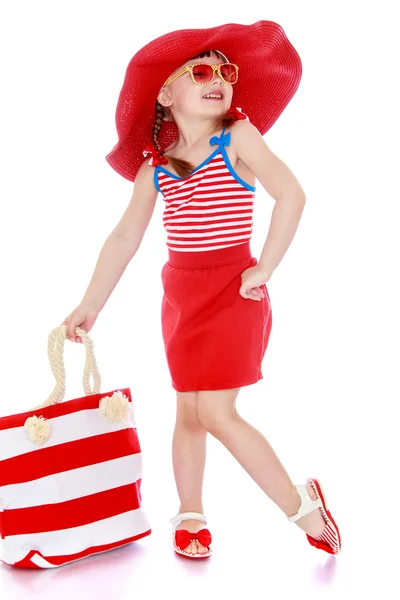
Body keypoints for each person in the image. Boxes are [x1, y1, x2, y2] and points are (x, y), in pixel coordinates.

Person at [62, 20, 341, 559]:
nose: (219, 79)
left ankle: (300, 504)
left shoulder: (237, 139)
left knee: (215, 412)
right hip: (181, 298)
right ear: (167, 93)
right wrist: (89, 303)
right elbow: (124, 237)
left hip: (233, 291)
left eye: (226, 72)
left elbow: (292, 195)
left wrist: (265, 270)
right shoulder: (156, 169)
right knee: (188, 411)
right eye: (203, 71)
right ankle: (191, 511)